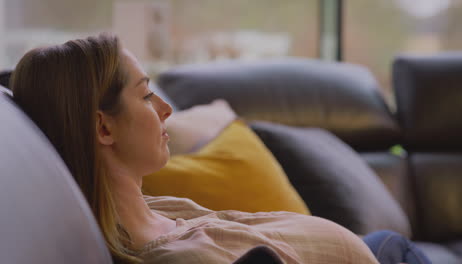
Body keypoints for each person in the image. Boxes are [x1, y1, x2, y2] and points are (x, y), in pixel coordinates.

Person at [10, 33, 430, 264]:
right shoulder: (178, 258)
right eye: (145, 96)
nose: (166, 109)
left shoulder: (158, 209)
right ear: (103, 126)